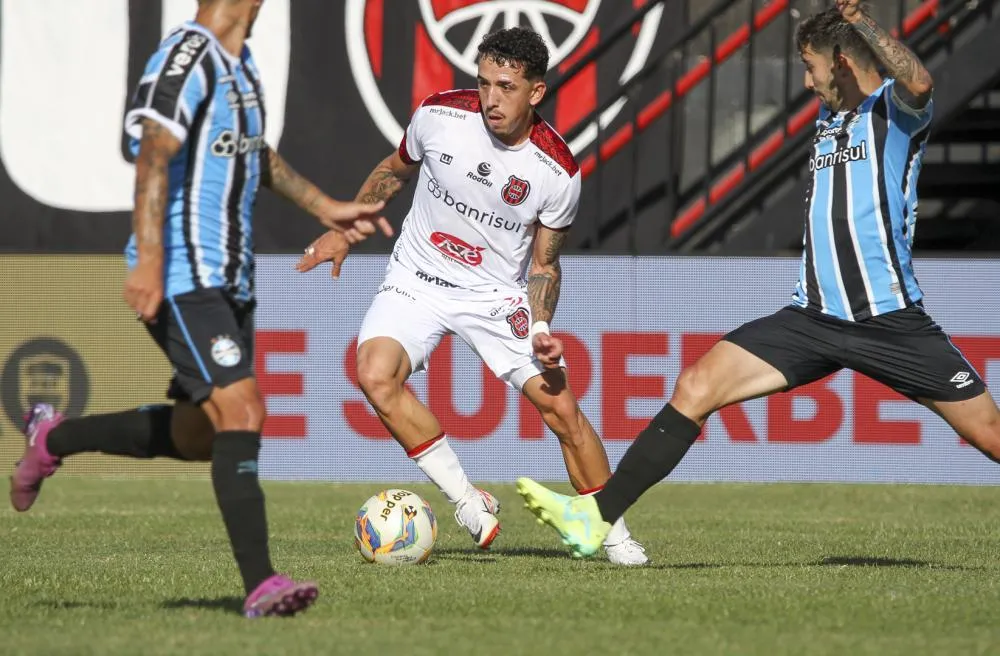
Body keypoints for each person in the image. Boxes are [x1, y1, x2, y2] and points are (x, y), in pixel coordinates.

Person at [516, 0, 1000, 558]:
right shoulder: (828, 121)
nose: (806, 80)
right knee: (695, 387)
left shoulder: (894, 113)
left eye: (811, 66)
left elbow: (919, 81)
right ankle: (596, 519)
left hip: (889, 321)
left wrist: (861, 22)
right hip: (812, 319)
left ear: (842, 62)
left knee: (988, 435)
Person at [8, 0, 389, 618]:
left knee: (198, 436)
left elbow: (253, 155)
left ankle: (54, 436)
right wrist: (149, 258)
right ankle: (261, 584)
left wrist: (325, 207)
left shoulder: (242, 65)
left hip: (230, 280)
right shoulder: (187, 55)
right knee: (244, 409)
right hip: (185, 275)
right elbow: (153, 152)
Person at [298, 27, 647, 565]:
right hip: (417, 276)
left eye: (506, 87)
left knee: (561, 410)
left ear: (536, 92)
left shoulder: (556, 172)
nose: (491, 99)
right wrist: (344, 231)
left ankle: (616, 535)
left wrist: (540, 328)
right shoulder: (439, 114)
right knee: (374, 374)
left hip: (494, 295)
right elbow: (393, 171)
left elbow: (544, 265)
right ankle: (467, 500)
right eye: (484, 83)